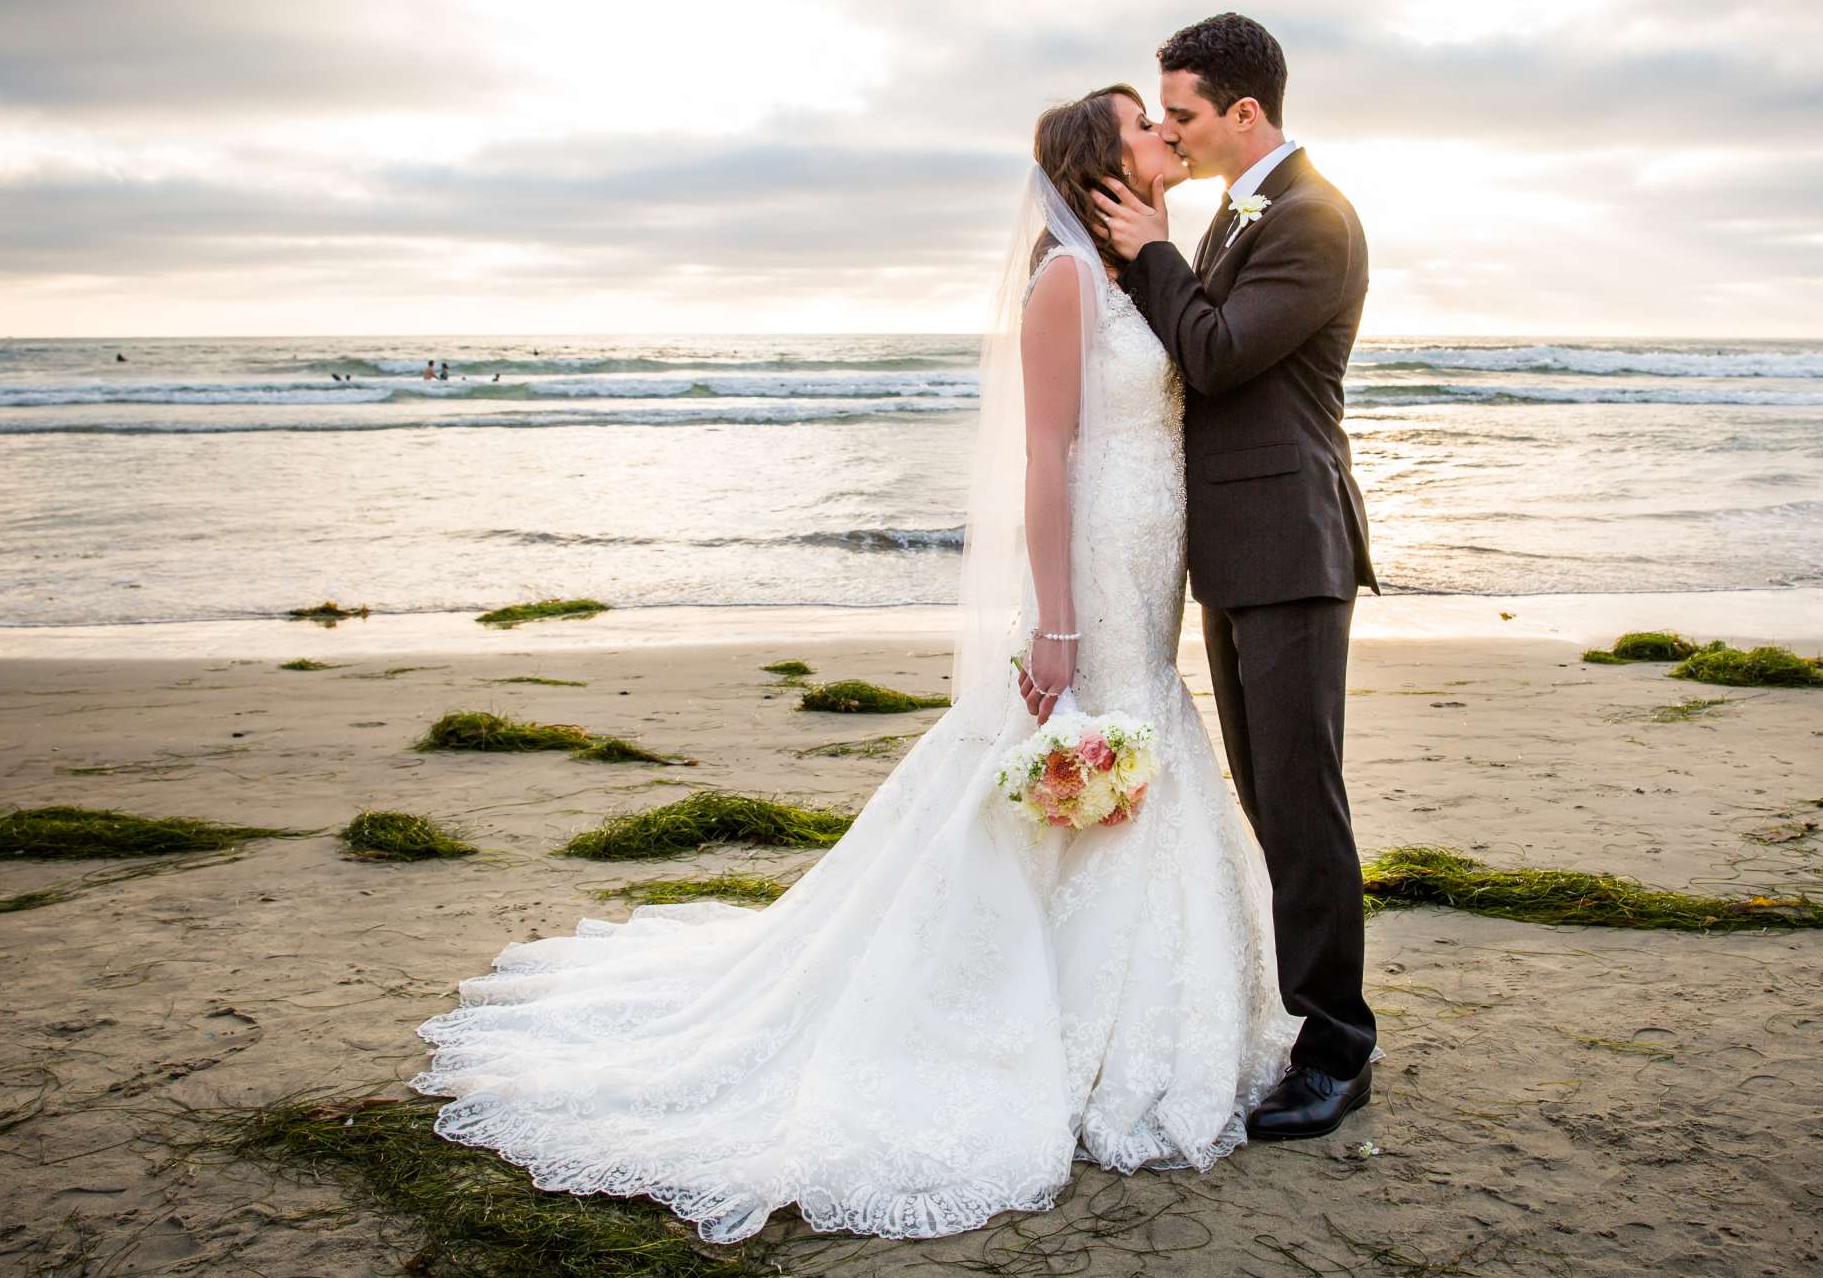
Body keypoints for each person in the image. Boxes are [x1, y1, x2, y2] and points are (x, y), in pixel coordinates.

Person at [409, 83, 1298, 1244]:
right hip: (1093, 563)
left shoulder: (1144, 266)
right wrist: (1058, 623)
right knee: (1077, 750)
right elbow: (1044, 459)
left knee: (1142, 745)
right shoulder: (1068, 278)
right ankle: (1023, 1019)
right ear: (1099, 161)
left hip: (1150, 556)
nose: (1161, 135)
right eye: (1142, 123)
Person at [1090, 12, 1378, 1142]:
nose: (1171, 130)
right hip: (1237, 549)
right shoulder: (1237, 213)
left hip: (1293, 548)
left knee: (1303, 800)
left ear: (1245, 112)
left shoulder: (1312, 220)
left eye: (1186, 114)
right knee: (1269, 794)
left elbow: (1211, 353)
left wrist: (1153, 247)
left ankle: (1339, 1047)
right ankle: (1313, 1021)